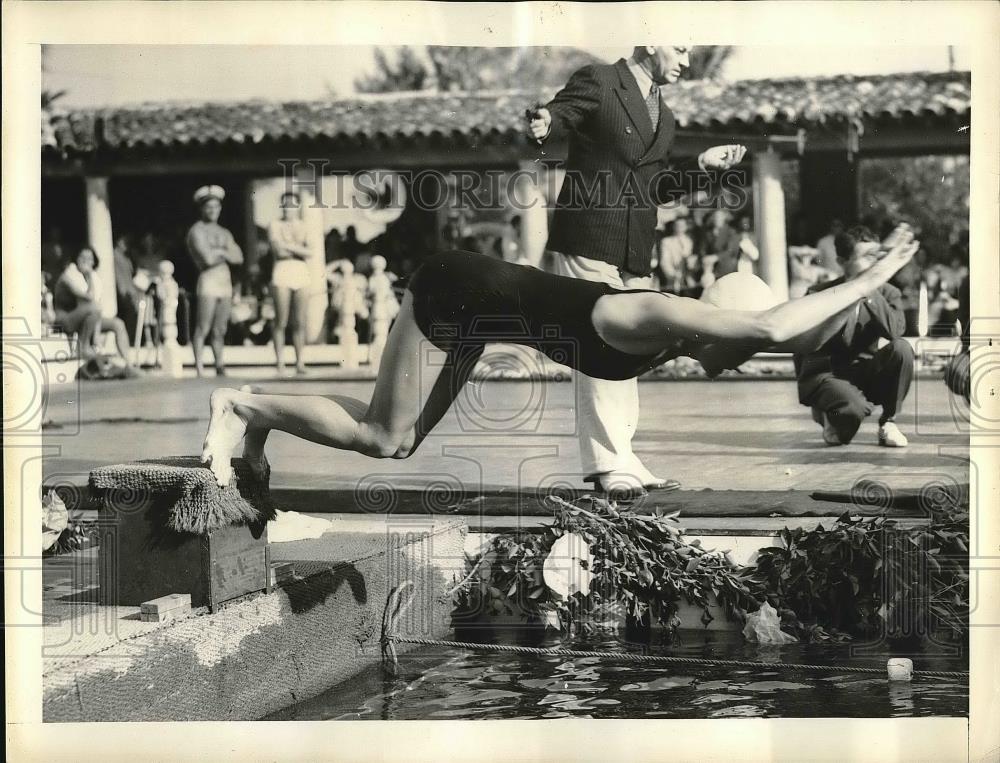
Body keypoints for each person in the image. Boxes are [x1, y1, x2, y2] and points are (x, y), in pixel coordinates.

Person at [201, 226, 919, 487]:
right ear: (718, 328)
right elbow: (769, 326)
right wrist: (868, 276)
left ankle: (260, 422)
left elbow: (780, 330)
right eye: (731, 354)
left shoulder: (677, 334)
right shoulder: (646, 312)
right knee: (385, 440)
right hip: (452, 294)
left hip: (479, 312)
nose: (730, 369)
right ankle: (239, 403)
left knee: (400, 440)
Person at [525, 45, 748, 498]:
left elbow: (655, 188)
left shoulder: (662, 115)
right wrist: (546, 121)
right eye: (681, 47)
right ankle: (608, 465)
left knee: (625, 349)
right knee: (598, 346)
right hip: (589, 235)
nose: (687, 59)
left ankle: (623, 456)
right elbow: (561, 113)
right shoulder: (600, 79)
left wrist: (701, 168)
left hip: (633, 248)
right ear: (650, 40)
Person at [794, 225, 913, 448]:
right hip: (828, 376)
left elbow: (895, 331)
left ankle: (889, 422)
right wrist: (812, 391)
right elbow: (802, 347)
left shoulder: (888, 293)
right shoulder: (817, 293)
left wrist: (869, 288)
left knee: (902, 348)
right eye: (866, 257)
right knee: (848, 420)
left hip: (864, 372)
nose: (874, 263)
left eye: (876, 256)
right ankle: (831, 414)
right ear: (842, 261)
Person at [187, 185, 243, 376]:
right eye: (208, 207)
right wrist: (224, 252)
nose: (212, 210)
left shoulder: (224, 232)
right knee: (203, 325)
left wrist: (219, 251)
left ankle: (219, 364)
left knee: (220, 327)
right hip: (209, 280)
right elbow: (208, 259)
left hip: (224, 281)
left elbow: (239, 257)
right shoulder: (197, 230)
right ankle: (199, 367)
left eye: (216, 206)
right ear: (202, 208)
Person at [53, 246, 136, 371]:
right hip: (66, 318)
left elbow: (95, 307)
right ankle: (83, 347)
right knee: (94, 307)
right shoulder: (69, 274)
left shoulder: (92, 277)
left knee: (118, 324)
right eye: (83, 257)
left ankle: (129, 364)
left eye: (90, 258)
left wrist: (90, 275)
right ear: (76, 258)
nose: (86, 261)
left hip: (86, 318)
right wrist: (96, 336)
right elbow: (89, 299)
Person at [268, 191, 312, 375]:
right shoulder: (274, 225)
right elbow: (278, 251)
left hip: (300, 272)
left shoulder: (304, 226)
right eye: (285, 205)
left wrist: (288, 246)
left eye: (292, 205)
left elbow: (310, 252)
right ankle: (280, 362)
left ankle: (299, 362)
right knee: (281, 319)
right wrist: (297, 248)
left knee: (300, 320)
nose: (288, 209)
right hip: (282, 271)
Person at [657, 218, 693, 294]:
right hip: (671, 281)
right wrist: (673, 275)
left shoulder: (689, 241)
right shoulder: (666, 242)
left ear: (686, 227)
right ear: (674, 227)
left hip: (688, 282)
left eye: (682, 225)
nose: (680, 227)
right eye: (678, 225)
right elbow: (664, 261)